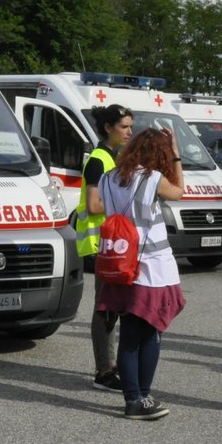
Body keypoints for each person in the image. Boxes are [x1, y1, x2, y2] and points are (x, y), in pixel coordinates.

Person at [96, 126, 185, 420]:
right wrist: (175, 154)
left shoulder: (108, 178)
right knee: (149, 334)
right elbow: (180, 192)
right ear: (157, 154)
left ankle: (135, 397)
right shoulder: (153, 179)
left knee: (128, 335)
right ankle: (138, 398)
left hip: (119, 264)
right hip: (151, 267)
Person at [78, 104, 133, 392]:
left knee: (117, 308)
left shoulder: (116, 158)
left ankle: (114, 365)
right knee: (105, 310)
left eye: (130, 127)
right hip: (101, 244)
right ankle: (104, 372)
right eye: (124, 127)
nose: (129, 132)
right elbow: (93, 205)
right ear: (108, 128)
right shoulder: (99, 160)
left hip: (116, 244)